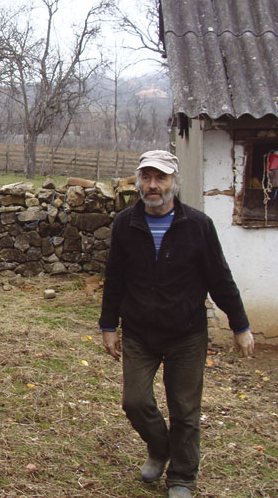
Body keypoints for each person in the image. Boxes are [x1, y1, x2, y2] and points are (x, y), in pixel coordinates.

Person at [98, 150, 255, 498]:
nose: (153, 186)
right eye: (146, 178)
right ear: (138, 181)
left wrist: (240, 325)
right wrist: (108, 325)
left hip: (186, 333)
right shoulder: (125, 223)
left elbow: (220, 278)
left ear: (174, 182)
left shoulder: (197, 225)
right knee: (134, 401)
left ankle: (182, 477)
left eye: (161, 178)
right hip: (139, 331)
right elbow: (115, 277)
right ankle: (160, 448)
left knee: (184, 409)